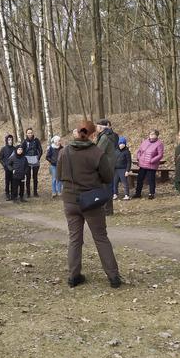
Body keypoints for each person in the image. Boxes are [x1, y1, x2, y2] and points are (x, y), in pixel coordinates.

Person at [57, 120, 121, 288]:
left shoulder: (64, 152)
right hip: (91, 201)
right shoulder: (97, 153)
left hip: (70, 201)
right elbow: (108, 177)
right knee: (101, 238)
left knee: (74, 239)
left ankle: (73, 276)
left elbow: (59, 176)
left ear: (77, 132)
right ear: (93, 135)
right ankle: (113, 277)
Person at [133, 130, 164, 200]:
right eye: (150, 134)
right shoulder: (145, 141)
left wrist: (152, 160)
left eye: (153, 134)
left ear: (157, 135)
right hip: (142, 164)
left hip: (151, 165)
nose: (151, 135)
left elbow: (160, 155)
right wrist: (138, 157)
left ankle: (151, 193)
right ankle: (138, 193)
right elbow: (139, 151)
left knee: (151, 180)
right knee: (139, 179)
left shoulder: (159, 144)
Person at [95, 119, 118, 216]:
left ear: (101, 127)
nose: (96, 128)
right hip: (110, 165)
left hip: (105, 166)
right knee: (107, 188)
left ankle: (106, 211)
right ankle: (108, 210)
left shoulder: (104, 137)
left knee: (105, 188)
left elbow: (98, 152)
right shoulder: (112, 135)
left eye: (97, 126)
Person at [21, 128, 42, 198]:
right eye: (28, 133)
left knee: (35, 177)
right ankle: (28, 193)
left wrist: (38, 158)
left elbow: (40, 150)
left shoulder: (36, 141)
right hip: (27, 161)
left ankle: (35, 192)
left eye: (31, 133)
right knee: (28, 177)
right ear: (26, 134)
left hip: (35, 160)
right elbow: (21, 151)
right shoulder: (24, 142)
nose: (30, 134)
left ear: (33, 133)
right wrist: (24, 159)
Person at [0, 134, 16, 201]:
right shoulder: (3, 149)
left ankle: (13, 194)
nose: (10, 141)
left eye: (11, 140)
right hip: (7, 168)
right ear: (6, 141)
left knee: (13, 181)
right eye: (9, 140)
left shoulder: (15, 149)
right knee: (7, 181)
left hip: (13, 167)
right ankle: (7, 193)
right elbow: (0, 158)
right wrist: (4, 165)